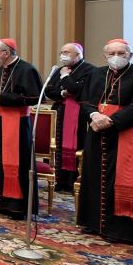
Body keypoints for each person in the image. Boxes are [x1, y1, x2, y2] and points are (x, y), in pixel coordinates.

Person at [77, 39, 133, 243]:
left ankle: (125, 230)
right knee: (94, 177)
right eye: (112, 53)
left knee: (125, 177)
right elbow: (86, 103)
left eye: (121, 53)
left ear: (130, 55)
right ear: (105, 56)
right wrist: (94, 116)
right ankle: (93, 223)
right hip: (97, 133)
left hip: (126, 133)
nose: (116, 57)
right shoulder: (96, 74)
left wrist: (112, 120)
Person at [0, 38, 42, 218]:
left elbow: (34, 98)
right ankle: (0, 201)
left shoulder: (27, 69)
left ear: (6, 53)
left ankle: (17, 206)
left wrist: (2, 97)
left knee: (17, 163)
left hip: (16, 124)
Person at [44, 42, 97, 192]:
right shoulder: (59, 70)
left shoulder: (90, 70)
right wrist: (62, 93)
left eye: (67, 52)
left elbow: (78, 90)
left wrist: (66, 77)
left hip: (79, 114)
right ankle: (60, 180)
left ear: (78, 55)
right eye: (62, 52)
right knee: (58, 145)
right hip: (60, 111)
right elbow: (49, 90)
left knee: (77, 146)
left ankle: (75, 181)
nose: (63, 55)